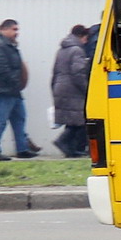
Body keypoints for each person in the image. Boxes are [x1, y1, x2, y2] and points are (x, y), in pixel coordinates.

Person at [0, 19, 37, 161]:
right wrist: (15, 82)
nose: (16, 33)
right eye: (14, 29)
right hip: (4, 90)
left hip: (11, 89)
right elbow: (1, 68)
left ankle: (22, 149)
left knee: (19, 118)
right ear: (5, 29)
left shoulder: (7, 45)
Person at [52, 24, 91, 158]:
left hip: (61, 87)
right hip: (73, 89)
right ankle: (63, 142)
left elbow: (55, 71)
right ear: (81, 36)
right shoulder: (77, 50)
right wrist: (87, 90)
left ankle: (71, 149)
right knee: (80, 120)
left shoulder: (62, 50)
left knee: (73, 121)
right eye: (86, 38)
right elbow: (78, 73)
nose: (86, 41)